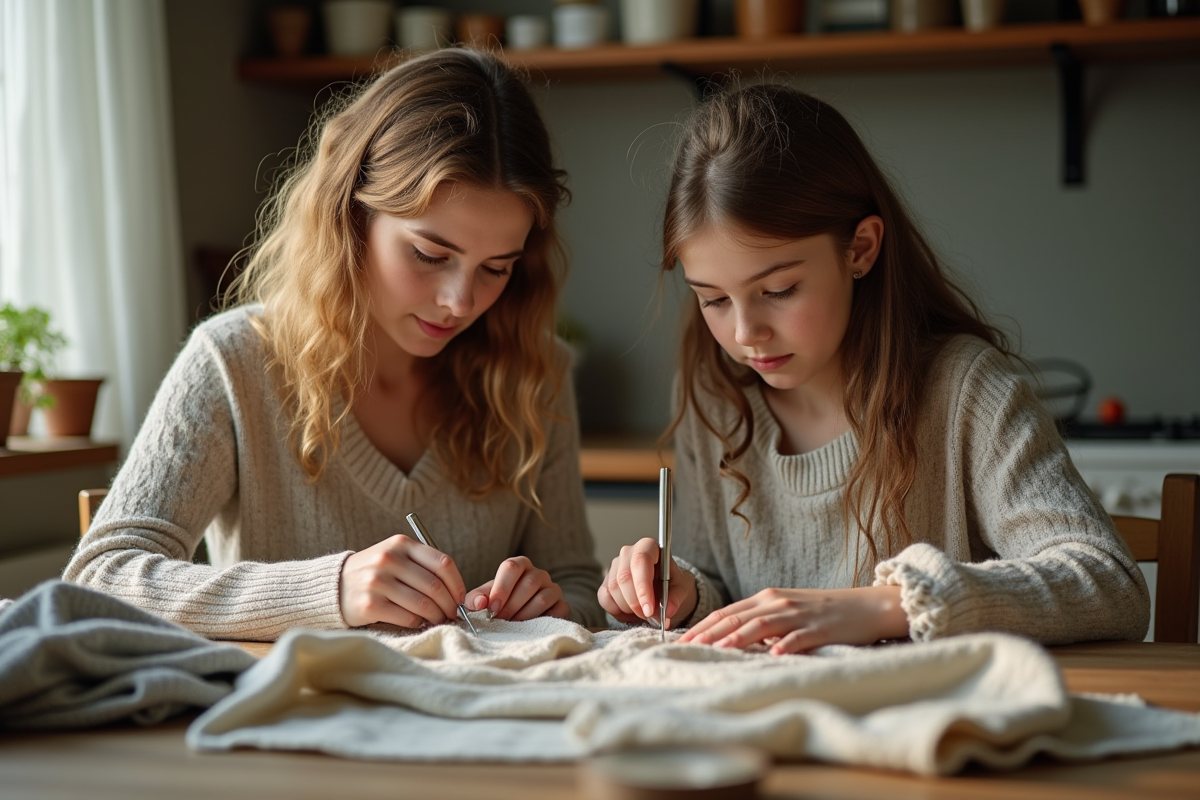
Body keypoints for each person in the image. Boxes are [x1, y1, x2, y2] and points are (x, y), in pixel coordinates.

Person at [65, 48, 605, 639]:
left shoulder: (535, 371)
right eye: (430, 255)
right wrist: (331, 590)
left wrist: (550, 606)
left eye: (496, 268)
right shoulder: (234, 362)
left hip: (474, 722)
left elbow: (578, 584)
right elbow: (99, 577)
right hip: (288, 722)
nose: (460, 301)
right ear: (350, 218)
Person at [598, 84, 1149, 653]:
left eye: (780, 289)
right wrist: (683, 593)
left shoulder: (966, 392)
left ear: (860, 249)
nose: (744, 333)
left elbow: (1110, 583)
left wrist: (888, 605)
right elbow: (718, 584)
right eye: (712, 299)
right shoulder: (715, 398)